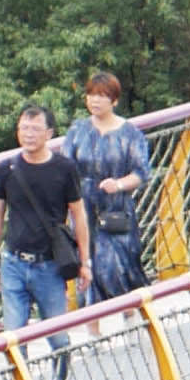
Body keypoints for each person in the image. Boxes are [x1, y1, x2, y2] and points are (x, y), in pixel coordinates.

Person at [0, 105, 89, 362]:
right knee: (13, 337)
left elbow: (79, 214)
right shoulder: (7, 169)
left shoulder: (64, 169)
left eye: (35, 129)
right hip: (13, 262)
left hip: (50, 265)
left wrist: (85, 262)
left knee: (57, 336)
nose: (28, 134)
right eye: (24, 128)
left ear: (49, 133)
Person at [67, 76, 154, 302]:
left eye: (102, 96)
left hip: (116, 209)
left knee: (116, 267)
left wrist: (118, 184)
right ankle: (94, 329)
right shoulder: (78, 130)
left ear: (114, 101)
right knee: (86, 265)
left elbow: (141, 171)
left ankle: (129, 313)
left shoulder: (130, 133)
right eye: (91, 94)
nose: (95, 101)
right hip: (82, 208)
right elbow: (66, 167)